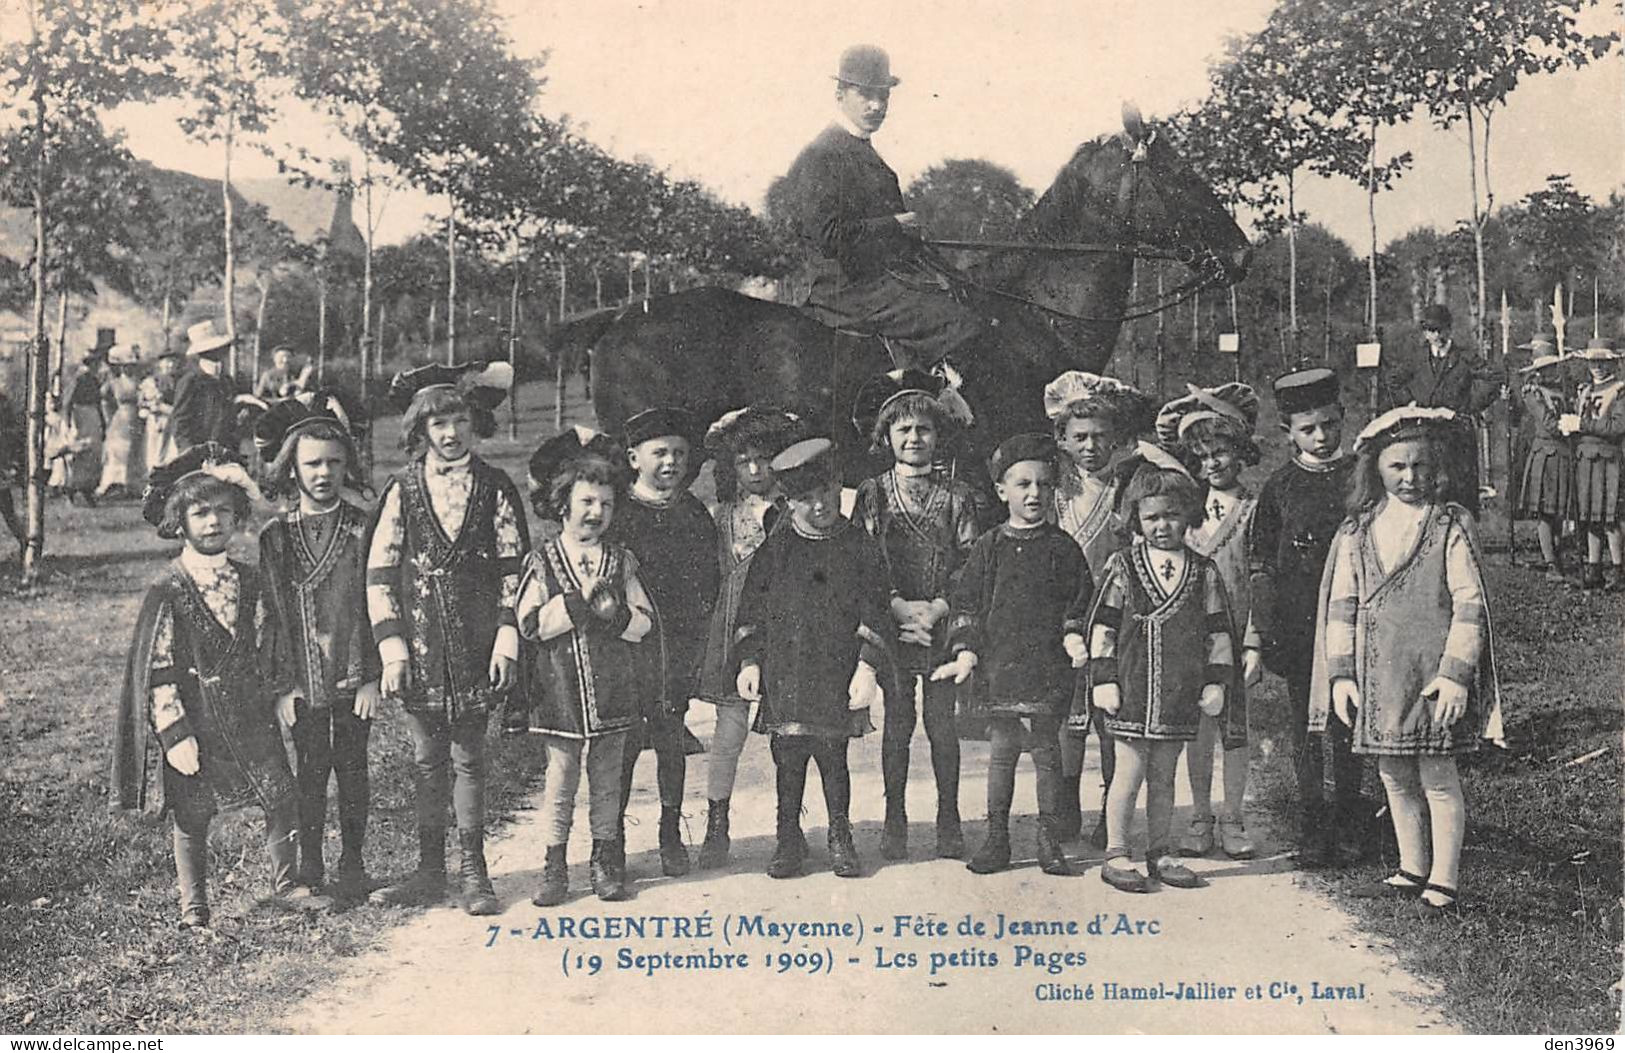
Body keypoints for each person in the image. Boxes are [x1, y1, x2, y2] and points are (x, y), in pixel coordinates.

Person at [111, 444, 330, 927]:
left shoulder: (249, 579)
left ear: (237, 518)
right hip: (198, 717)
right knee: (192, 813)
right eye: (200, 513)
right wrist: (174, 734)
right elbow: (160, 667)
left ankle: (288, 884)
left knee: (281, 794)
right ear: (179, 520)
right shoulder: (168, 588)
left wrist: (281, 691)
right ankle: (194, 906)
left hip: (251, 711)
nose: (213, 523)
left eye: (224, 512)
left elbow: (270, 638)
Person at [1312, 406, 1504, 917]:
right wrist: (1342, 675)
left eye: (1420, 466)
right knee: (1393, 772)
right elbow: (1342, 606)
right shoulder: (1357, 529)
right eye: (1398, 467)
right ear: (1377, 468)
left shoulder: (1449, 524)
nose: (1410, 477)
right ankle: (1411, 866)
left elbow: (1470, 602)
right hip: (1379, 676)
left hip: (1430, 676)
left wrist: (1455, 674)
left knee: (1437, 775)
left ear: (1435, 467)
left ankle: (1445, 878)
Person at [365, 361, 529, 916]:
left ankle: (473, 870)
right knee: (426, 758)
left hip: (478, 648)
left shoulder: (494, 486)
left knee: (468, 758)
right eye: (438, 424)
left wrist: (507, 638)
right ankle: (429, 869)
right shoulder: (402, 490)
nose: (450, 433)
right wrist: (392, 648)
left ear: (472, 421)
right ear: (420, 430)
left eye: (458, 419)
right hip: (420, 648)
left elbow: (515, 571)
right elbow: (380, 573)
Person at [732, 438, 893, 879]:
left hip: (835, 673)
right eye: (805, 498)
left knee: (832, 755)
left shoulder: (858, 545)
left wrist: (867, 665)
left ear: (838, 485)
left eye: (825, 492)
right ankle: (788, 837)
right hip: (785, 674)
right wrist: (750, 661)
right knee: (788, 756)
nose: (819, 505)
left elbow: (876, 607)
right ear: (789, 500)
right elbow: (751, 609)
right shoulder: (777, 548)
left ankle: (839, 834)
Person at [935, 433, 1092, 876]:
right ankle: (997, 839)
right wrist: (965, 651)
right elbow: (967, 603)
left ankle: (1049, 839)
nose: (1034, 494)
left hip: (1046, 667)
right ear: (1002, 491)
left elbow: (1078, 599)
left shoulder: (1063, 549)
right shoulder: (989, 547)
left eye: (1043, 484)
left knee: (1046, 749)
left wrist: (1073, 635)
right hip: (1000, 667)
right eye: (1022, 484)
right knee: (1002, 751)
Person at [518, 428, 656, 904]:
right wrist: (578, 602)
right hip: (559, 693)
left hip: (613, 692)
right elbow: (530, 624)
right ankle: (555, 865)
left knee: (606, 781)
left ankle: (605, 860)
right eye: (587, 503)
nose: (596, 513)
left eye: (606, 505)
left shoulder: (621, 561)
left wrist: (614, 613)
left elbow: (643, 622)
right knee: (560, 782)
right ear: (563, 505)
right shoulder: (543, 561)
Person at [1087, 448, 1235, 893]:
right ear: (1136, 519)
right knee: (1128, 773)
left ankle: (1161, 848)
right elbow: (1103, 626)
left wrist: (1216, 681)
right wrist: (1103, 678)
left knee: (1165, 776)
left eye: (1171, 516)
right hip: (1131, 689)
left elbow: (1218, 630)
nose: (1162, 526)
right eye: (1151, 517)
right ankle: (1116, 851)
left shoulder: (1204, 571)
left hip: (1178, 692)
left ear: (1188, 516)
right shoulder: (1123, 566)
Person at [782, 45, 984, 368]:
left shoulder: (861, 152)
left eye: (883, 96)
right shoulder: (823, 155)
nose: (876, 105)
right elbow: (828, 235)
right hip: (847, 292)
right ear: (840, 94)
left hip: (879, 283)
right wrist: (895, 225)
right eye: (865, 94)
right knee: (957, 322)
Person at [851, 369, 980, 860]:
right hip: (892, 622)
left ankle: (949, 819)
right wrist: (899, 606)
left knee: (942, 726)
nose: (913, 438)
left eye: (923, 429)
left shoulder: (959, 496)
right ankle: (894, 820)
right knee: (899, 724)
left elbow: (970, 560)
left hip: (941, 625)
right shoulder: (873, 492)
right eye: (902, 429)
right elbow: (862, 559)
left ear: (937, 436)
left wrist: (939, 608)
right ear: (886, 437)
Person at [255, 392, 380, 899]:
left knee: (353, 766)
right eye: (311, 464)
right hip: (303, 676)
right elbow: (271, 616)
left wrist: (371, 673)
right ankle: (311, 868)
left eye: (333, 462)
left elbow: (379, 601)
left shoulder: (363, 527)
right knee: (311, 769)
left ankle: (353, 864)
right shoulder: (275, 537)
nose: (323, 473)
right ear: (292, 469)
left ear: (347, 463)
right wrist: (282, 685)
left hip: (353, 673)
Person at [1248, 366, 1363, 868]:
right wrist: (1266, 626)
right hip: (1299, 629)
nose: (1321, 437)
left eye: (1329, 425)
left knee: (1351, 722)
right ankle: (1314, 825)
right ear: (1287, 433)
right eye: (1308, 429)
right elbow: (1263, 562)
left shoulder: (1362, 476)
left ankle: (1353, 822)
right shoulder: (1280, 487)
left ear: (1342, 419)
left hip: (1353, 623)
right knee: (1306, 728)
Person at [610, 407, 720, 878]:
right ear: (634, 458)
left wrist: (700, 647)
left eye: (679, 453)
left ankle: (670, 833)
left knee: (671, 741)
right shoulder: (617, 512)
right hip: (627, 650)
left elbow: (709, 582)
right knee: (624, 747)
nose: (670, 462)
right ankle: (610, 841)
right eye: (659, 453)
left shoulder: (694, 512)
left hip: (675, 650)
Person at [1156, 384, 1264, 860]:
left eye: (1221, 453)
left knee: (1235, 732)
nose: (1213, 464)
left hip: (1237, 640)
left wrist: (1256, 641)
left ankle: (1233, 815)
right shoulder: (1186, 515)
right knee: (1197, 730)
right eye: (1202, 457)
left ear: (1239, 453)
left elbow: (1260, 579)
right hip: (1193, 642)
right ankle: (1200, 813)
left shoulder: (1255, 511)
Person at [1043, 370, 1149, 846]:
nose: (1090, 446)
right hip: (1062, 617)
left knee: (1111, 715)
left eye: (1101, 437)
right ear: (1062, 440)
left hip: (1112, 620)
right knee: (1067, 718)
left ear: (1117, 440)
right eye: (1080, 437)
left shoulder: (1127, 489)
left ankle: (1111, 810)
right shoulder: (1054, 491)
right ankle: (1065, 804)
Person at [694, 405, 802, 869]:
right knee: (729, 730)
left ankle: (788, 828)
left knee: (789, 732)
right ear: (730, 466)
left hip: (783, 632)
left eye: (764, 458)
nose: (755, 470)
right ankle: (716, 824)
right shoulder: (721, 516)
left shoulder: (795, 512)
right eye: (744, 461)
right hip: (731, 633)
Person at [1379, 304, 1504, 515]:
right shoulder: (1417, 358)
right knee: (1428, 486)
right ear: (1425, 332)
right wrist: (1410, 403)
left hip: (1457, 431)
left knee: (1460, 488)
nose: (1435, 335)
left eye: (1439, 330)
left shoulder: (1464, 357)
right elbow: (1392, 381)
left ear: (1449, 329)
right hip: (1425, 431)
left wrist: (1469, 407)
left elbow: (1495, 377)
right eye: (1430, 330)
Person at [1510, 334, 1575, 583]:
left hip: (1565, 454)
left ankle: (1557, 555)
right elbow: (1548, 423)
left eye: (1553, 366)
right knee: (1546, 511)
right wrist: (1570, 425)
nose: (1549, 372)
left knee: (1559, 508)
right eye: (1544, 368)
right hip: (1546, 453)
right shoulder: (1533, 392)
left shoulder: (1566, 388)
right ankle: (1551, 562)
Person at [1563, 337, 1625, 591]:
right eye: (1592, 361)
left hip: (1607, 460)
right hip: (1584, 459)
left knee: (1609, 516)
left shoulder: (1620, 391)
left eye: (1602, 361)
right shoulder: (1584, 391)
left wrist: (1582, 425)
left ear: (1612, 363)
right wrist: (1569, 425)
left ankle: (1618, 571)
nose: (1597, 366)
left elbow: (1617, 426)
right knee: (1589, 516)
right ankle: (1594, 568)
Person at [170, 321, 239, 454]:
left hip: (225, 451)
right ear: (204, 352)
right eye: (216, 348)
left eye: (222, 348)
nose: (222, 351)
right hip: (197, 452)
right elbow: (180, 422)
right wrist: (189, 452)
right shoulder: (191, 381)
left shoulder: (226, 381)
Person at [59, 337, 109, 506]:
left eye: (96, 363)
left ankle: (88, 490)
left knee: (93, 455)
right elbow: (67, 402)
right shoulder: (78, 379)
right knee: (78, 453)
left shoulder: (95, 380)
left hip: (92, 417)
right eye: (92, 363)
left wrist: (102, 424)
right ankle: (71, 492)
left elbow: (98, 404)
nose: (94, 366)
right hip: (79, 415)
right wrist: (67, 423)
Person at [97, 344, 145, 497]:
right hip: (120, 417)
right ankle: (113, 483)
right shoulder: (114, 382)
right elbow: (104, 400)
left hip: (135, 416)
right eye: (124, 366)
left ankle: (130, 484)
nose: (127, 369)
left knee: (134, 449)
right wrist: (108, 417)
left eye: (130, 366)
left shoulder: (139, 382)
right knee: (118, 449)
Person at [139, 350, 180, 469]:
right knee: (154, 449)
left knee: (169, 451)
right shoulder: (152, 381)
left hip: (171, 419)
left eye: (173, 362)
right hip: (156, 420)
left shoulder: (178, 381)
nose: (170, 365)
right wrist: (152, 406)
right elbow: (143, 402)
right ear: (160, 364)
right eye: (167, 362)